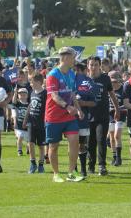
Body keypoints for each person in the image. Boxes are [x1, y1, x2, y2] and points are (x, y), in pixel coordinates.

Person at [45, 47, 84, 182]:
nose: (75, 60)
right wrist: (67, 107)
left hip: (69, 115)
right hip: (54, 116)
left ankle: (71, 173)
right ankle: (56, 174)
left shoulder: (72, 74)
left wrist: (78, 109)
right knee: (53, 146)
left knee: (74, 141)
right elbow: (54, 96)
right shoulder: (52, 75)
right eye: (73, 57)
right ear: (66, 58)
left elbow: (72, 94)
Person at [87, 56, 120, 176]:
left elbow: (112, 95)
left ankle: (102, 166)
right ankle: (91, 165)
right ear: (88, 66)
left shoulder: (105, 79)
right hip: (89, 116)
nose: (93, 67)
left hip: (103, 115)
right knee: (90, 142)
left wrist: (117, 109)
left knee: (101, 140)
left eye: (96, 65)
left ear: (99, 65)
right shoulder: (85, 79)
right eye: (91, 65)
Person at [22, 73, 47, 174]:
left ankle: (41, 164)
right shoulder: (32, 93)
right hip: (31, 123)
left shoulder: (45, 93)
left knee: (41, 145)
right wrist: (25, 120)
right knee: (30, 143)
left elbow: (47, 109)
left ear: (38, 82)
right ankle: (33, 163)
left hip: (41, 123)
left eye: (31, 82)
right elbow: (30, 107)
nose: (30, 84)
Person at [75, 64, 97, 177]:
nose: (77, 72)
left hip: (83, 119)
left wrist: (83, 103)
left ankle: (83, 169)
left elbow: (93, 102)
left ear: (84, 71)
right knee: (72, 144)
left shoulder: (88, 83)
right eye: (75, 70)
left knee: (81, 144)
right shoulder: (69, 81)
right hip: (70, 119)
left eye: (79, 70)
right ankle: (74, 169)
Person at [108, 71, 126, 166]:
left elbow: (126, 104)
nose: (113, 84)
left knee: (117, 136)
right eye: (112, 82)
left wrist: (118, 109)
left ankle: (119, 158)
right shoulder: (108, 89)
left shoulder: (123, 89)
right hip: (110, 114)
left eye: (115, 82)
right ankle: (114, 156)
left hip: (121, 114)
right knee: (111, 136)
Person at [12, 88, 29, 156]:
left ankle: (28, 149)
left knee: (29, 140)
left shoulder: (29, 104)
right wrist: (15, 92)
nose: (22, 96)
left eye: (24, 94)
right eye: (20, 94)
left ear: (27, 95)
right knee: (20, 137)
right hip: (19, 124)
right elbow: (13, 101)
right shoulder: (18, 104)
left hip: (27, 125)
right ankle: (19, 150)